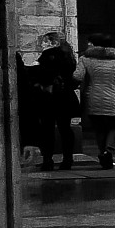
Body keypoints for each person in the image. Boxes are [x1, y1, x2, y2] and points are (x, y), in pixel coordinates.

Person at [76, 32, 115, 169]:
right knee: (113, 127)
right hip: (114, 99)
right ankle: (108, 151)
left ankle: (103, 154)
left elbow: (77, 76)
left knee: (99, 129)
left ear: (93, 44)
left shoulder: (85, 59)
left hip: (93, 97)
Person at [34, 31, 81, 168]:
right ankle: (68, 159)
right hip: (66, 96)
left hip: (50, 97)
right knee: (65, 128)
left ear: (52, 42)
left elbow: (42, 75)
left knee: (47, 129)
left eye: (44, 41)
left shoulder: (48, 55)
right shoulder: (69, 56)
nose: (42, 44)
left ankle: (48, 160)